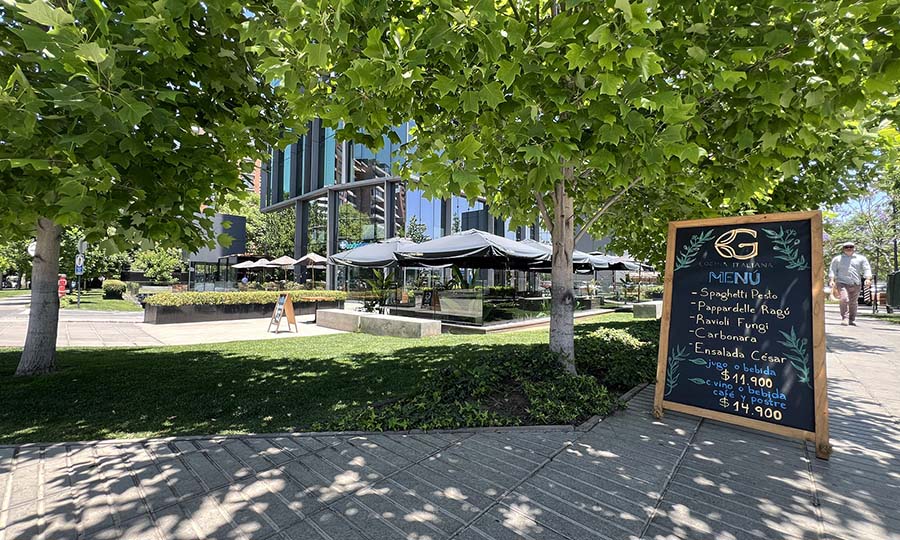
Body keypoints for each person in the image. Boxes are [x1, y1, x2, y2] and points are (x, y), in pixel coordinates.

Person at [828, 241, 872, 326]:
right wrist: (831, 280)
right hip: (842, 282)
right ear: (843, 249)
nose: (849, 248)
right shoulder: (837, 259)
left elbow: (867, 268)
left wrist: (868, 278)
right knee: (844, 299)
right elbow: (832, 269)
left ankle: (851, 319)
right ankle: (845, 318)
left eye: (851, 247)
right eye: (846, 247)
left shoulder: (861, 258)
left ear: (854, 248)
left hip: (856, 283)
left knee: (853, 302)